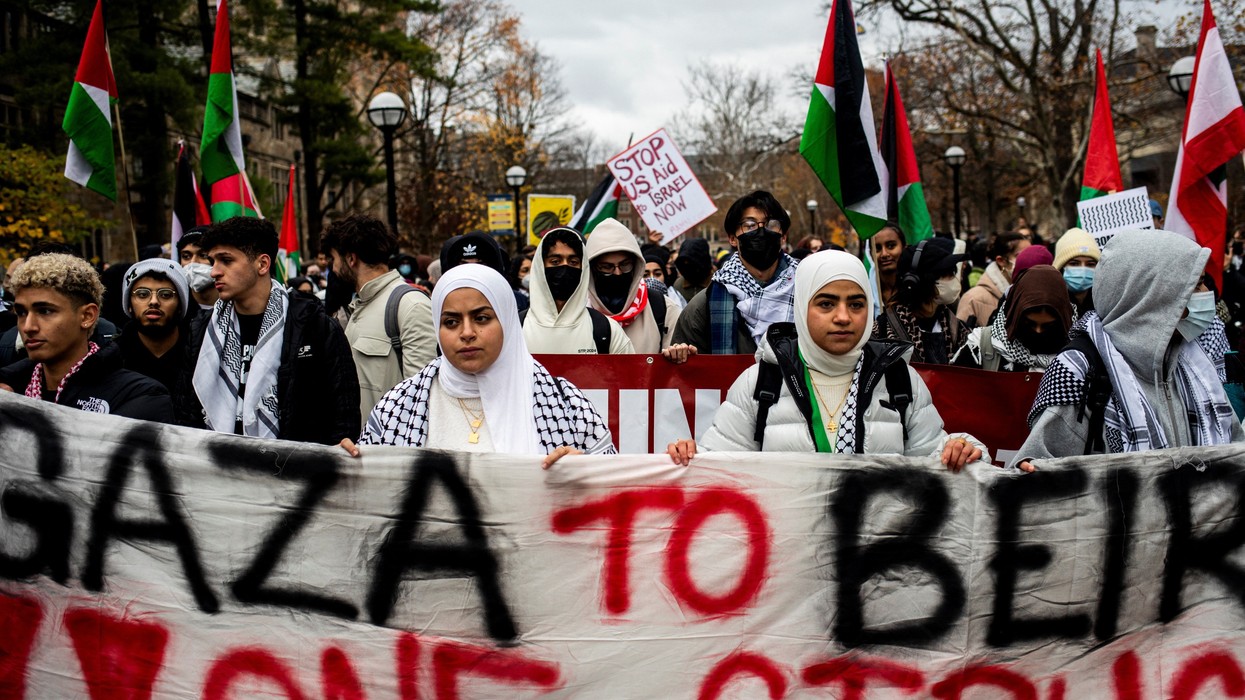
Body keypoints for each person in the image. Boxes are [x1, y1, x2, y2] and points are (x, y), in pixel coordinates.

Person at [667, 250, 985, 469]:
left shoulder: (900, 380)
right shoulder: (761, 381)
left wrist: (964, 450)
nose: (843, 317)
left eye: (856, 304)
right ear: (802, 306)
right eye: (826, 304)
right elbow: (719, 468)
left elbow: (935, 462)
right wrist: (692, 458)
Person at [1013, 231, 1243, 472]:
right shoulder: (1077, 370)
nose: (1206, 292)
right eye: (1195, 285)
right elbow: (1039, 473)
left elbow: (1235, 450)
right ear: (1154, 294)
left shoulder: (1194, 363)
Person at [344, 264, 615, 467]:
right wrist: (346, 466)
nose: (466, 333)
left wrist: (584, 472)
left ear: (507, 320)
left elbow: (616, 491)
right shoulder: (399, 407)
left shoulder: (567, 406)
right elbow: (369, 496)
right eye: (451, 322)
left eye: (482, 318)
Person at [176, 217, 360, 445]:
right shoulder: (202, 330)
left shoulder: (314, 326)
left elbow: (344, 413)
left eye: (226, 260)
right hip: (216, 462)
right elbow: (187, 411)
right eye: (213, 261)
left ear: (262, 264)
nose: (214, 272)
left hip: (294, 464)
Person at [0, 253, 171, 420]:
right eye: (21, 313)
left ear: (87, 316)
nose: (28, 327)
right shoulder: (9, 389)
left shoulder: (138, 395)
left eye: (45, 311)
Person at [321, 215, 436, 423]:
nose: (333, 268)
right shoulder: (359, 305)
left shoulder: (411, 306)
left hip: (390, 442)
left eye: (334, 259)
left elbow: (421, 401)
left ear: (351, 259)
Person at [672, 191, 798, 355]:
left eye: (770, 224)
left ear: (783, 236)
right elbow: (688, 368)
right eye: (750, 225)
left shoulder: (808, 292)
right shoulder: (703, 306)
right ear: (732, 238)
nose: (761, 231)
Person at [585, 218, 688, 359]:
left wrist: (679, 354)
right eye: (607, 267)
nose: (618, 273)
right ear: (592, 269)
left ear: (636, 265)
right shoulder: (578, 310)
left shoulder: (663, 309)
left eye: (624, 264)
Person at [523, 227, 634, 355]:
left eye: (573, 262)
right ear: (540, 267)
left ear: (583, 268)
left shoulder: (607, 331)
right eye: (555, 261)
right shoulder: (516, 328)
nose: (565, 267)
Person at [953, 265, 1073, 373]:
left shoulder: (1074, 356)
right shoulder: (982, 345)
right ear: (1015, 314)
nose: (1038, 331)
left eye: (1048, 326)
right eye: (1030, 323)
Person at [874, 237, 970, 364]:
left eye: (952, 273)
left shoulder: (959, 330)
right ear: (918, 281)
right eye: (944, 273)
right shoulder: (882, 331)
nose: (953, 279)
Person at [116, 258, 193, 393]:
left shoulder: (200, 355)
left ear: (180, 305)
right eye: (142, 294)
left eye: (165, 295)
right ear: (129, 305)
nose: (153, 302)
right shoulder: (112, 359)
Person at [957, 232, 1030, 328]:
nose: (1029, 260)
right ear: (1001, 261)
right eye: (1021, 256)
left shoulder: (1031, 293)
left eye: (1031, 254)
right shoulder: (973, 299)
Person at [1052, 228, 1100, 317]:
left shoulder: (1105, 302)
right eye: (1074, 263)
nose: (1083, 269)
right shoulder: (1051, 303)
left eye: (1090, 264)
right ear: (1061, 267)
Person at [177, 226, 219, 311]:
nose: (193, 262)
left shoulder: (238, 306)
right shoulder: (177, 308)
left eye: (203, 255)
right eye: (186, 256)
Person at [871, 224, 906, 308]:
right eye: (877, 248)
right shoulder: (865, 291)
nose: (884, 254)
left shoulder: (920, 289)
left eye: (891, 246)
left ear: (904, 247)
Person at [672, 238, 713, 304]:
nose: (687, 267)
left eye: (691, 262)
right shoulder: (678, 284)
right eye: (684, 263)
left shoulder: (717, 284)